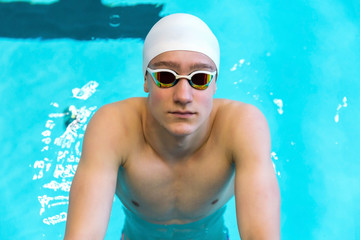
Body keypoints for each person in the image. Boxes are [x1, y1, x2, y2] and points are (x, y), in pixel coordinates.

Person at [64, 13, 280, 240]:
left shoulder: (241, 127)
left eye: (200, 78)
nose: (183, 96)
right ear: (146, 80)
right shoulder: (113, 128)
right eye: (166, 76)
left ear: (215, 84)